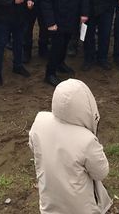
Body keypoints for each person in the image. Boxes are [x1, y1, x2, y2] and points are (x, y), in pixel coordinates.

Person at [29, 79, 112, 214]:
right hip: (81, 208)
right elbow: (101, 172)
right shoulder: (87, 140)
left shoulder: (40, 121)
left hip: (50, 202)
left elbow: (33, 146)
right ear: (87, 106)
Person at [40, 0, 89, 86]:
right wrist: (50, 22)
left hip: (72, 16)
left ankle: (61, 64)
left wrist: (84, 12)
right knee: (56, 46)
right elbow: (45, 0)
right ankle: (50, 73)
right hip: (57, 19)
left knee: (66, 44)